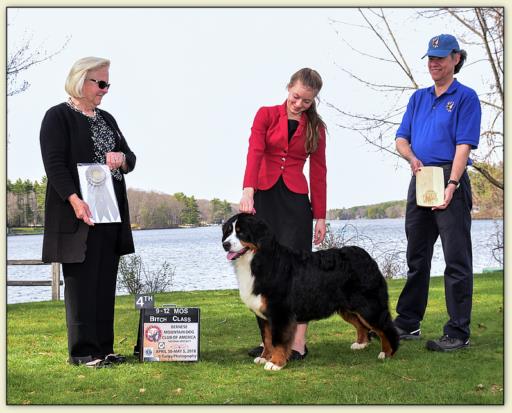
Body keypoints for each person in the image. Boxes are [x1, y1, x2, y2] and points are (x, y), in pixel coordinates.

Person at [40, 57, 136, 367]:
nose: (106, 90)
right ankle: (82, 353)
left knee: (104, 283)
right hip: (77, 217)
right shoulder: (56, 117)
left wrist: (121, 158)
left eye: (108, 83)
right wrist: (74, 200)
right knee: (81, 286)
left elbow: (131, 159)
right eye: (101, 83)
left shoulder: (107, 118)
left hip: (109, 216)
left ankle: (104, 349)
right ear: (82, 81)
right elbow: (54, 165)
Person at [393, 34, 481, 351]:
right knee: (417, 256)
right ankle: (407, 323)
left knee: (456, 259)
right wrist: (411, 157)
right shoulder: (418, 98)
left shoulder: (465, 97)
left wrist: (453, 184)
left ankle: (458, 331)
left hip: (449, 177)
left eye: (441, 57)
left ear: (456, 59)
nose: (434, 63)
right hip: (421, 176)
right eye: (430, 58)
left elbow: (464, 145)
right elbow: (401, 138)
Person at [239, 68, 327, 360]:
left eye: (306, 101)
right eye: (296, 96)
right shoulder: (265, 115)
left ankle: (298, 344)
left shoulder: (317, 128)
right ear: (288, 88)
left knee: (297, 274)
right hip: (263, 198)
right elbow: (254, 150)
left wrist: (321, 215)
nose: (299, 103)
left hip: (296, 203)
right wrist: (248, 189)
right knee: (263, 271)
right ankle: (269, 344)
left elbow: (318, 171)